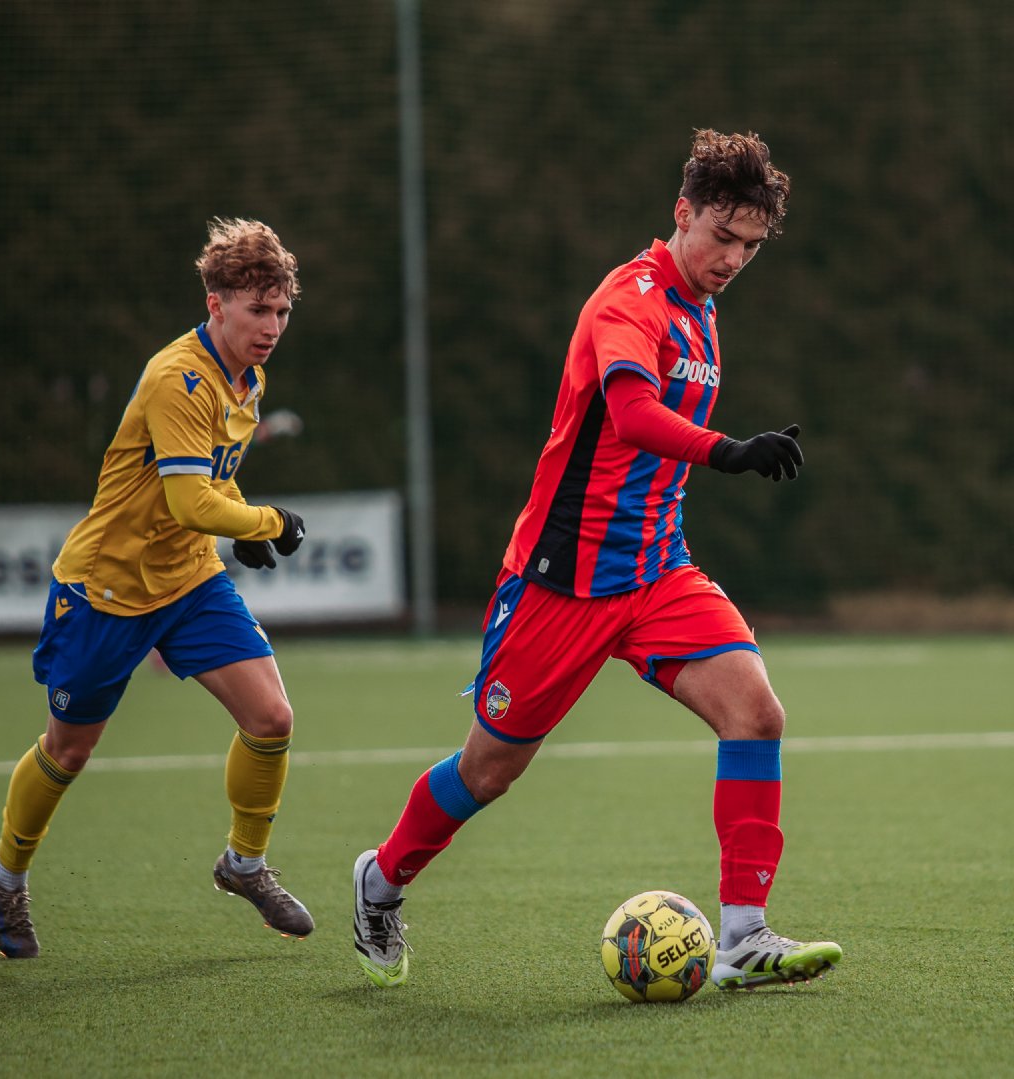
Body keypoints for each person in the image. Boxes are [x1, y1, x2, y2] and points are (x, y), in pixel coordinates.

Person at [351, 130, 842, 991]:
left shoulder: (703, 309)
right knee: (489, 770)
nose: (734, 259)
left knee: (756, 713)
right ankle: (381, 878)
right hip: (562, 584)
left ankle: (742, 934)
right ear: (681, 212)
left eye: (751, 245)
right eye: (722, 236)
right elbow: (630, 415)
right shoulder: (628, 300)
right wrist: (729, 451)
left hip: (657, 572)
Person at [0, 218, 316, 959]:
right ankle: (5, 873)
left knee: (271, 717)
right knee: (69, 750)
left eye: (283, 311)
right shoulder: (177, 378)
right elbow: (191, 501)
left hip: (189, 579)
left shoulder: (248, 378)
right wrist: (269, 521)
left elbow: (213, 481)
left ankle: (244, 864)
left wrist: (241, 525)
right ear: (215, 303)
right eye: (258, 310)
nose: (272, 327)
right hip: (106, 589)